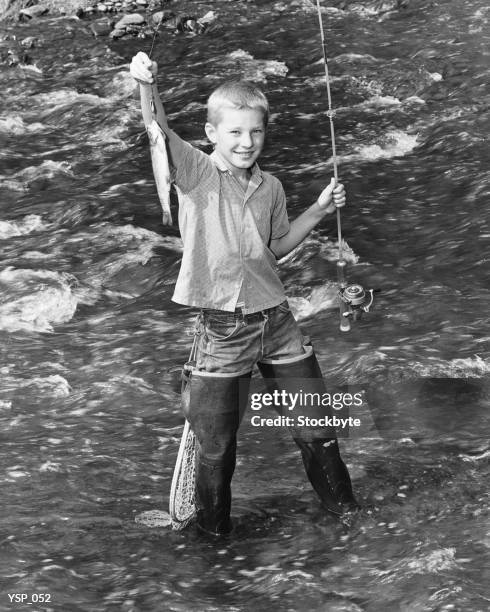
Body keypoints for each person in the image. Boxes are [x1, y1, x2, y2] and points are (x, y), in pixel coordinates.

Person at [130, 51, 360, 537]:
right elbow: (158, 132)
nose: (246, 142)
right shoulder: (195, 173)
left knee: (318, 431)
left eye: (255, 131)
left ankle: (351, 521)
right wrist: (146, 86)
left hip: (278, 323)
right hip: (221, 331)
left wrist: (318, 210)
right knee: (217, 452)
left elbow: (275, 248)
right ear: (212, 133)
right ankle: (216, 545)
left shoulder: (271, 186)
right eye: (234, 131)